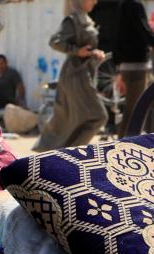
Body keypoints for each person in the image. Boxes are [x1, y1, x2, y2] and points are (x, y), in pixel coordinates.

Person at [33, 0, 108, 151]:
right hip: (75, 74)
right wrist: (76, 51)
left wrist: (95, 53)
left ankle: (62, 153)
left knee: (73, 117)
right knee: (98, 116)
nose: (95, 2)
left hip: (84, 73)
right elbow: (55, 41)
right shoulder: (73, 19)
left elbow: (86, 47)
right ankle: (71, 152)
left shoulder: (86, 19)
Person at [113, 0, 154, 138]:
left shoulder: (123, 5)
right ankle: (121, 149)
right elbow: (143, 30)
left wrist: (118, 69)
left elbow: (117, 38)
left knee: (137, 109)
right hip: (137, 69)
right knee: (134, 112)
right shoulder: (135, 5)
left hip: (129, 68)